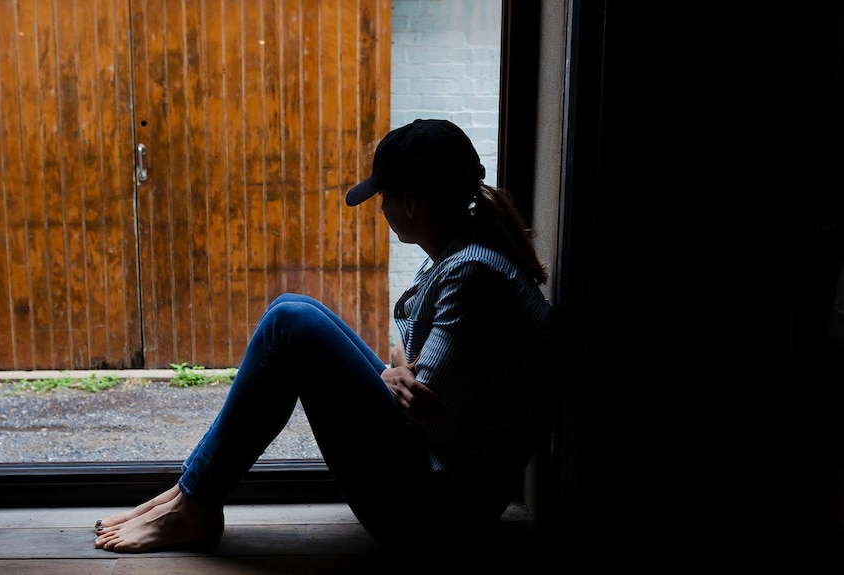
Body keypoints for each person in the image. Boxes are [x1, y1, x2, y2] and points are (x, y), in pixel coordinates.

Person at [92, 118, 554, 553]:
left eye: (384, 197)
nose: (382, 208)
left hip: (432, 515)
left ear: (412, 203)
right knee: (293, 308)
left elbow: (428, 419)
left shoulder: (472, 274)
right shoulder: (457, 254)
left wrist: (392, 374)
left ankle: (194, 503)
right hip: (428, 482)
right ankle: (191, 492)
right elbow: (410, 365)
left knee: (291, 326)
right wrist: (394, 373)